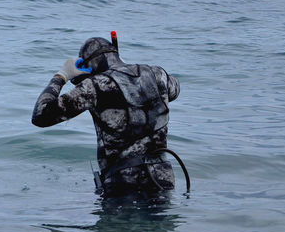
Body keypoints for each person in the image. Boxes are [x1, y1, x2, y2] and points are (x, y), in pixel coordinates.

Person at [31, 36, 180, 197]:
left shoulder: (95, 86)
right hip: (163, 177)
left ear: (88, 66)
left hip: (123, 183)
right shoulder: (157, 74)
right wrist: (128, 71)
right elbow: (174, 91)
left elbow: (41, 115)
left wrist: (61, 76)